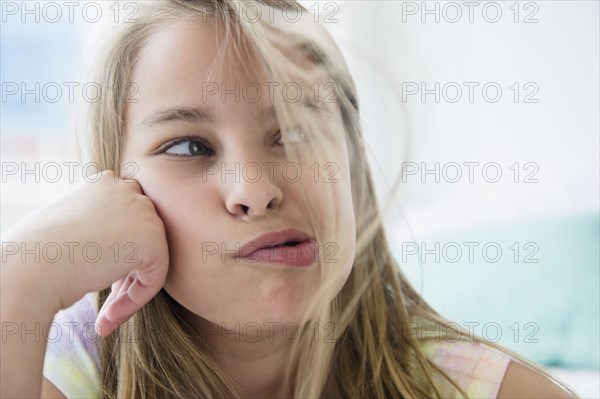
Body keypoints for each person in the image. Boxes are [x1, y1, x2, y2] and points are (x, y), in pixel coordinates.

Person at [0, 1, 579, 398]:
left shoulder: (473, 385)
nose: (254, 188)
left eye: (295, 134)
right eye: (188, 145)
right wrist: (23, 273)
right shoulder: (65, 374)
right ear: (113, 192)